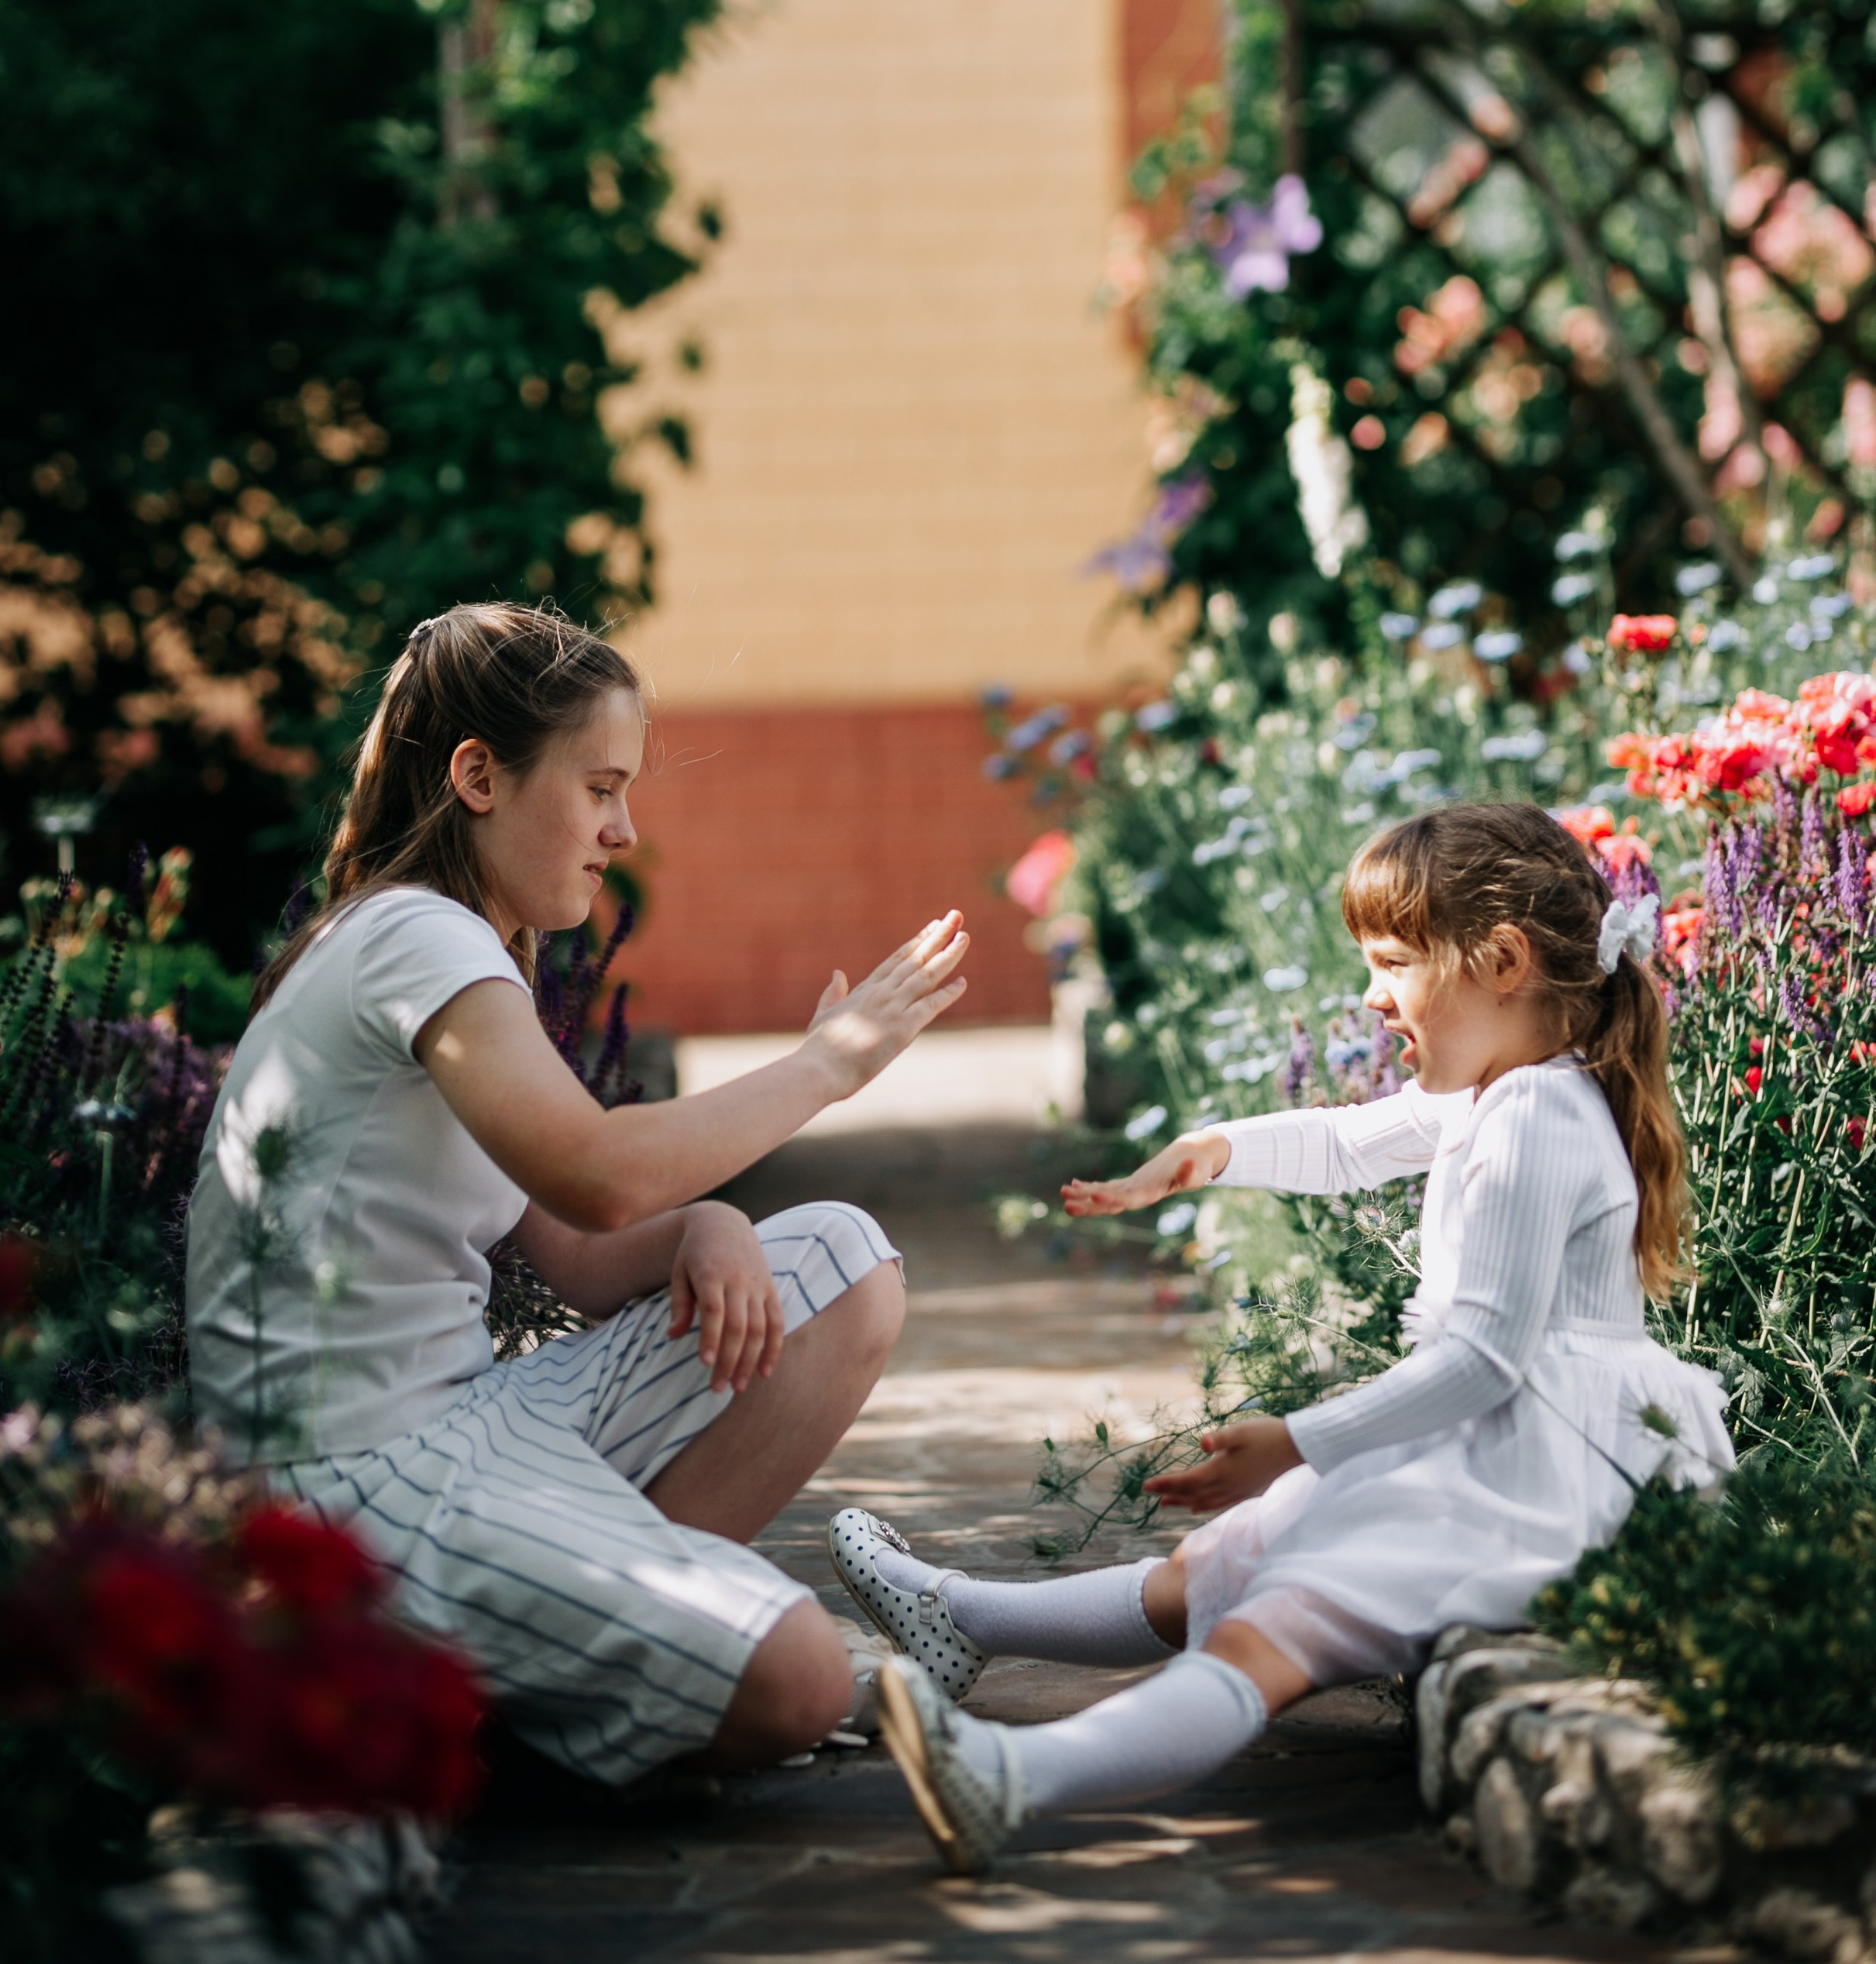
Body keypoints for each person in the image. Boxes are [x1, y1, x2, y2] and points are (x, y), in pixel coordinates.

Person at [831, 798, 1731, 1874]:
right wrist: (1204, 1152)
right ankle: (959, 1617)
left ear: (1500, 960)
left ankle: (1011, 1781)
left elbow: (1484, 1361)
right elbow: (1348, 1141)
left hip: (1534, 1479)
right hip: (1495, 1451)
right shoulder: (1511, 1092)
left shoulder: (1535, 1119)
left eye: (1394, 962)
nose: (1370, 993)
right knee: (1220, 1566)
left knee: (1274, 1628)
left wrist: (1297, 1444)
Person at [185, 600, 969, 1783]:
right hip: (346, 1482)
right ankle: (485, 1690)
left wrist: (705, 1223)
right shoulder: (412, 936)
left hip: (467, 1421)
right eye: (600, 788)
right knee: (803, 1680)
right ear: (478, 777)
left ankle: (595, 1644)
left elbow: (575, 1245)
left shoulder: (463, 949)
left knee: (844, 1267)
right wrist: (827, 1065)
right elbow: (600, 1178)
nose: (622, 828)